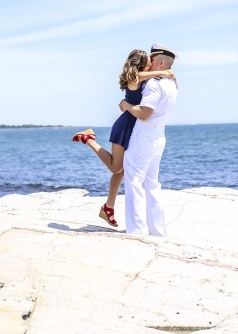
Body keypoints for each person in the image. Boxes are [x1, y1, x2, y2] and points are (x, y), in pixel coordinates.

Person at [72, 49, 177, 227]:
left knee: (123, 171)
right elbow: (141, 76)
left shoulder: (146, 79)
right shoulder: (134, 79)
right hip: (125, 127)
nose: (151, 64)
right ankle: (88, 139)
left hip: (135, 127)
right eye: (148, 62)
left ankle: (108, 208)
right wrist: (163, 71)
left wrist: (168, 75)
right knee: (116, 168)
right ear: (142, 65)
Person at [119, 43, 178, 236]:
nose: (148, 64)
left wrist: (127, 106)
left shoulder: (154, 84)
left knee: (134, 181)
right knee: (152, 183)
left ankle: (137, 230)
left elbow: (144, 113)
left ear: (160, 62)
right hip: (160, 136)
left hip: (144, 135)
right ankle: (157, 230)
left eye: (151, 60)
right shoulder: (171, 84)